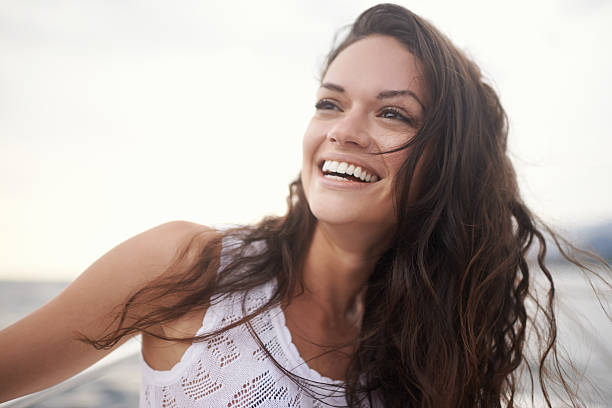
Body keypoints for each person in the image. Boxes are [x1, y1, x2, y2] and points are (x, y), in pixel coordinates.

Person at [0, 3, 609, 407]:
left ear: (447, 164)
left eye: (392, 113)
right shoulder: (188, 266)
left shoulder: (432, 352)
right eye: (330, 102)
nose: (344, 130)